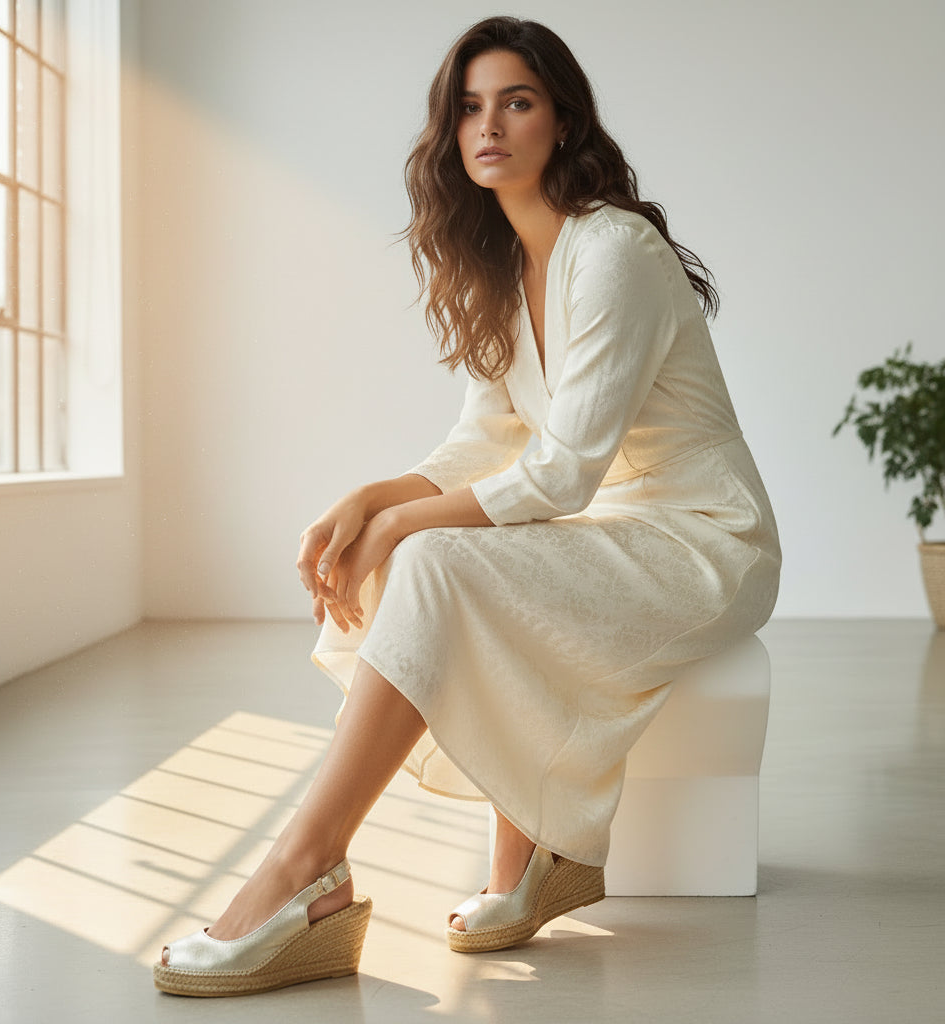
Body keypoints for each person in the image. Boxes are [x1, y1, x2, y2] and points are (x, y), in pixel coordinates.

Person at [153, 15, 780, 997]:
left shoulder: (613, 249)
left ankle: (307, 864)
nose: (488, 126)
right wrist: (369, 500)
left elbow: (562, 473)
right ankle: (527, 859)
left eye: (516, 102)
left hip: (703, 543)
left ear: (562, 121)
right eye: (469, 108)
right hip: (608, 533)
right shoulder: (504, 265)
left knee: (431, 556)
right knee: (415, 551)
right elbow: (482, 442)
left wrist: (404, 525)